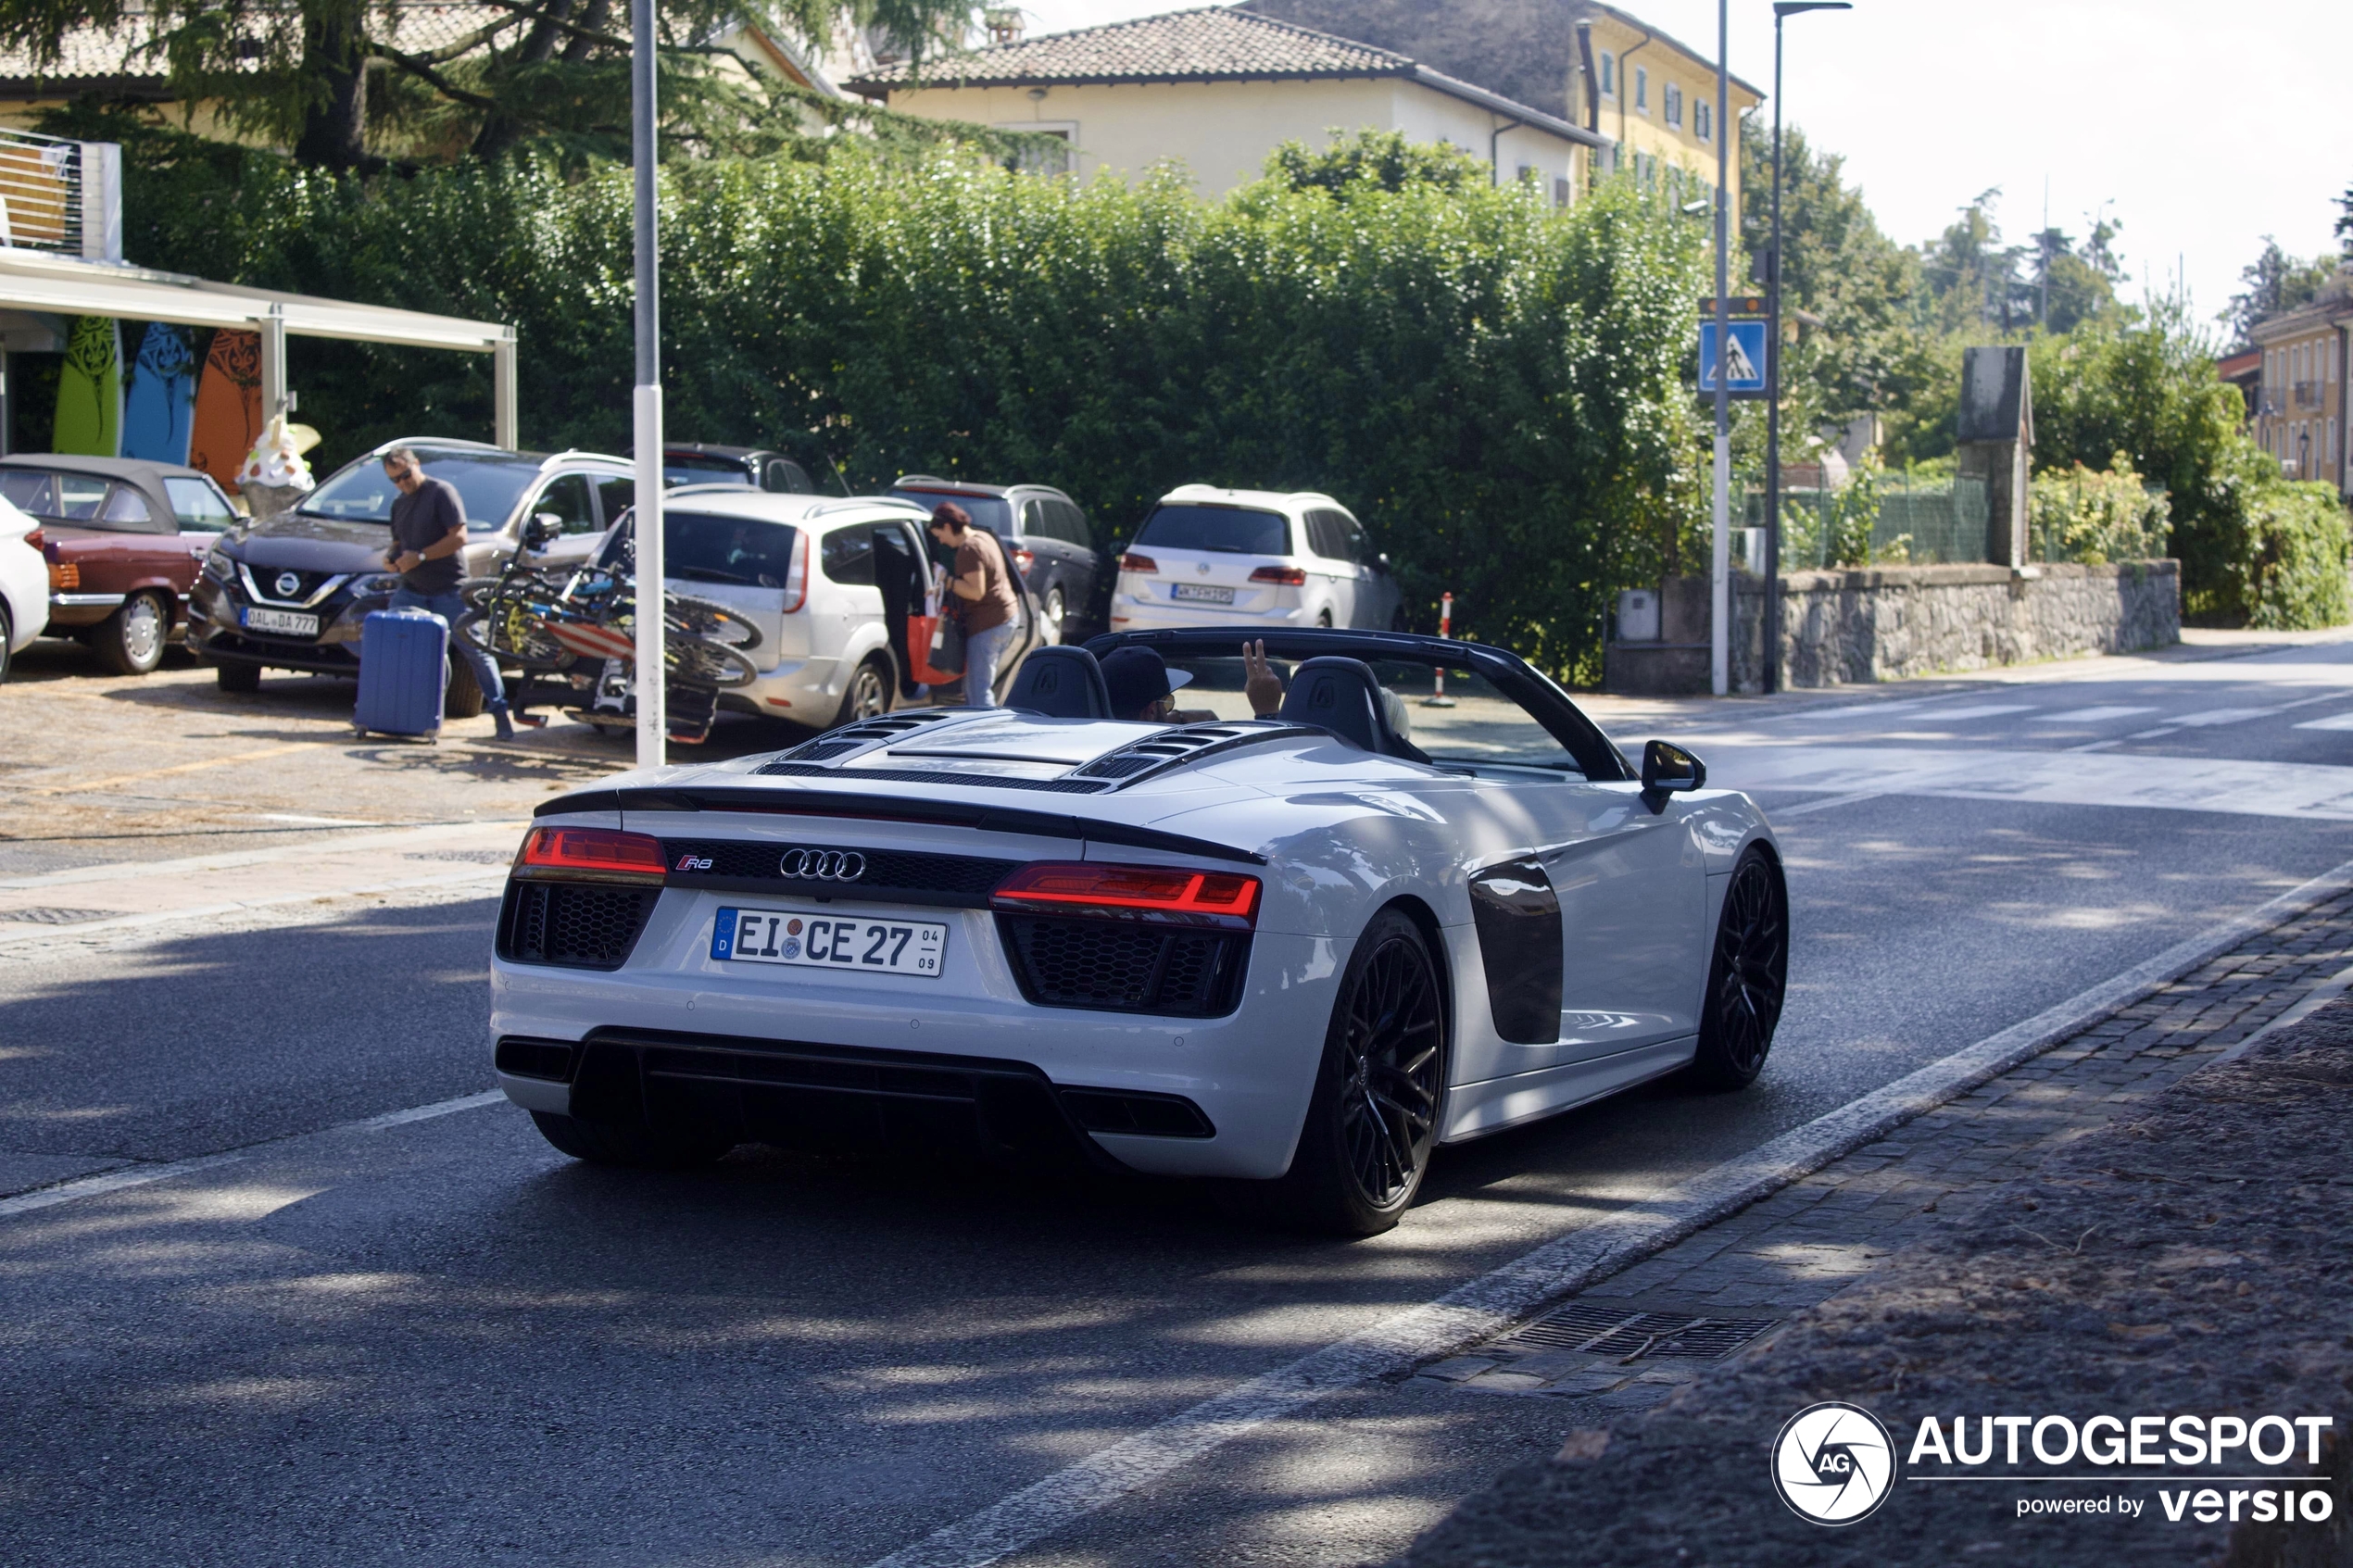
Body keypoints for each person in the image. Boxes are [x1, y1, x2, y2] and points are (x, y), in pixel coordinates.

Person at [380, 446, 537, 740]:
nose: (402, 483)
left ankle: (500, 715)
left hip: (449, 589)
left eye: (405, 475)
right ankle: (389, 712)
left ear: (416, 464)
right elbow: (398, 542)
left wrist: (422, 557)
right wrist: (390, 558)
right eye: (395, 480)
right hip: (412, 589)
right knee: (391, 642)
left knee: (476, 651)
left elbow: (459, 537)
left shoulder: (441, 492)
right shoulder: (399, 504)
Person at [926, 503, 1021, 707]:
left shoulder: (968, 549)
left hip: (988, 624)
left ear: (949, 527)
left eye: (939, 535)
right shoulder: (983, 537)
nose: (940, 541)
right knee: (977, 686)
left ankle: (984, 733)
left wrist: (945, 580)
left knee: (978, 692)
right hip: (1006, 616)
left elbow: (975, 592)